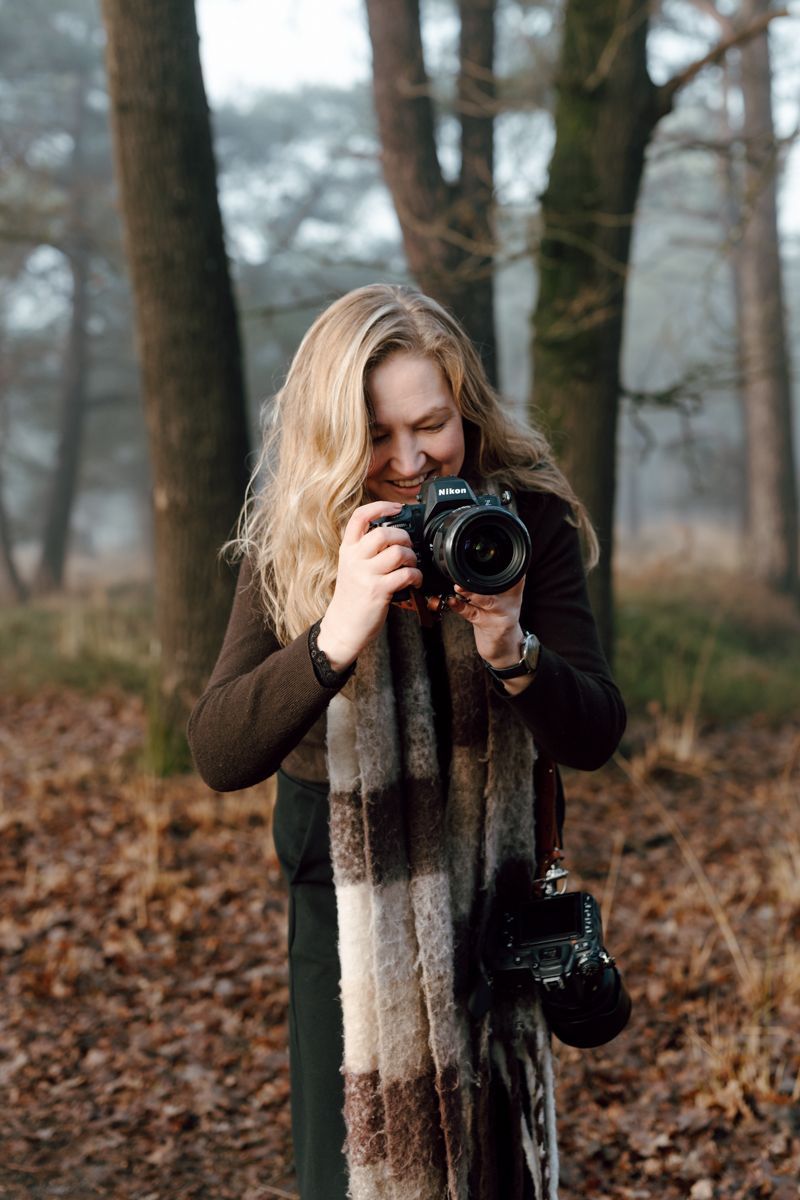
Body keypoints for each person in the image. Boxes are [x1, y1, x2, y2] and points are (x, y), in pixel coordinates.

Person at [187, 283, 626, 1200]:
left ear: (464, 408)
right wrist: (335, 631)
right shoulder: (298, 537)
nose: (410, 459)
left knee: (494, 1168)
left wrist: (513, 650)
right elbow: (220, 751)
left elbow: (594, 734)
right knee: (353, 1173)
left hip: (494, 893)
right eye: (378, 436)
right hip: (347, 911)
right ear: (335, 435)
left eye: (432, 425)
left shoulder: (524, 518)